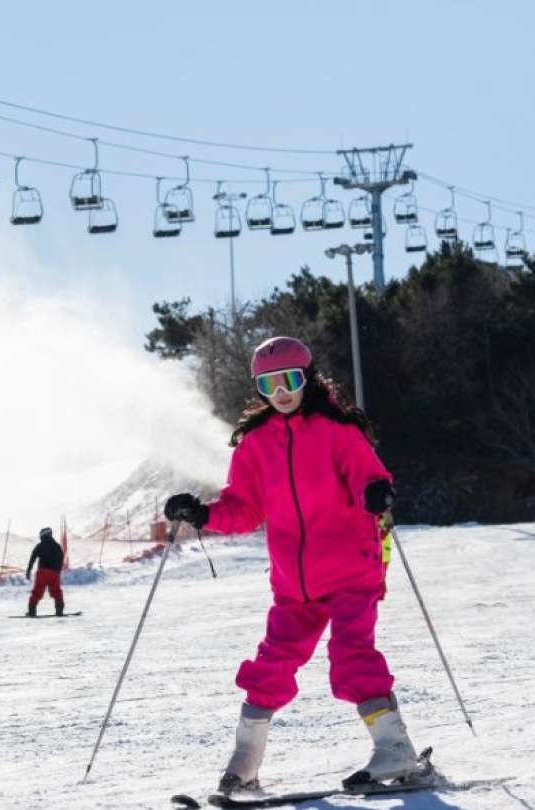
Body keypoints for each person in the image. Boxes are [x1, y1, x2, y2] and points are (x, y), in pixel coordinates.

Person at [164, 336, 419, 800]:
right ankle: (244, 765)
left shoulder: (337, 431)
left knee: (351, 658)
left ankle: (395, 749)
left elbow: (369, 473)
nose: (280, 391)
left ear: (308, 379)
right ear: (259, 388)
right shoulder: (254, 444)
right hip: (293, 583)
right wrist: (203, 514)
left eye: (290, 380)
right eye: (268, 383)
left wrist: (377, 492)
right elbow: (243, 508)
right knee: (270, 667)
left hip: (351, 569)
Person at [25, 527, 65, 617]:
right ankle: (59, 610)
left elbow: (33, 558)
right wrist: (58, 571)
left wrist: (28, 570)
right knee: (56, 592)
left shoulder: (40, 546)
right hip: (54, 573)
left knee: (37, 592)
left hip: (42, 572)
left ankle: (32, 611)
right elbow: (61, 559)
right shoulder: (57, 546)